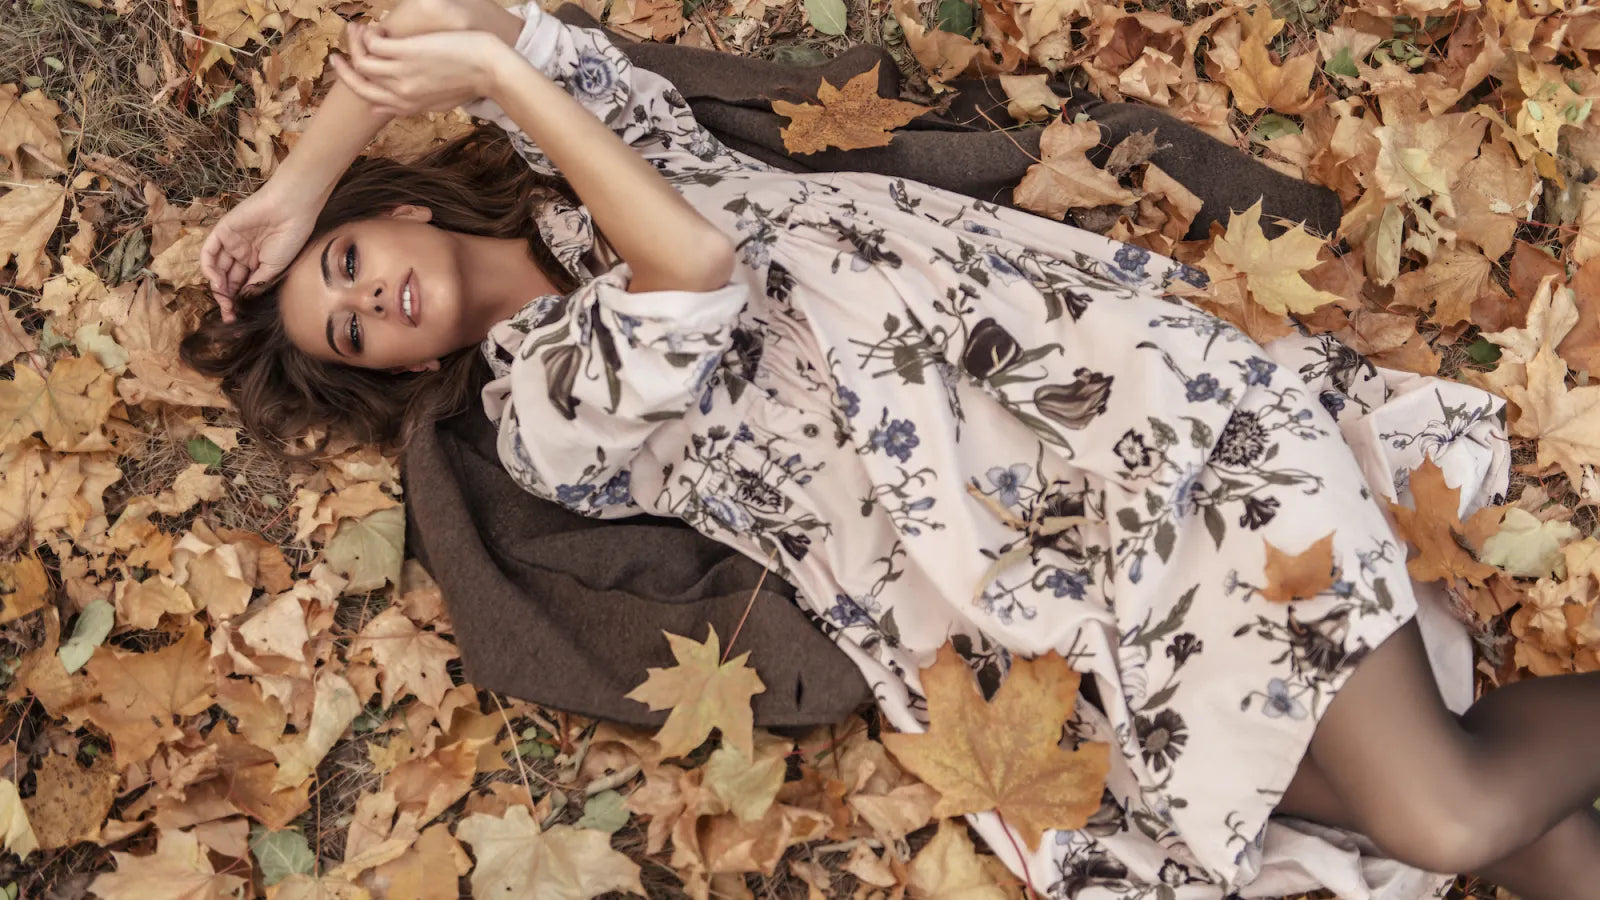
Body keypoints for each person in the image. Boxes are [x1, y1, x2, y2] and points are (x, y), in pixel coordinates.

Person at [186, 0, 1600, 896]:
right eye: (353, 335)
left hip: (1090, 407)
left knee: (1444, 816)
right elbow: (687, 270)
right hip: (995, 569)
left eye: (353, 262)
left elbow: (437, 19)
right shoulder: (537, 412)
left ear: (402, 214)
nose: (370, 301)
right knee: (1419, 809)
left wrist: (298, 186)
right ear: (404, 370)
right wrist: (500, 77)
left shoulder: (586, 158)